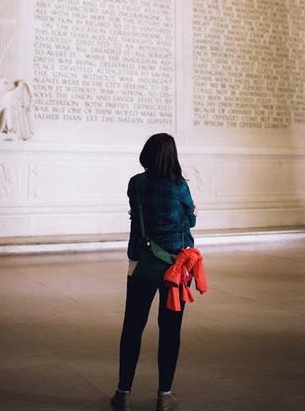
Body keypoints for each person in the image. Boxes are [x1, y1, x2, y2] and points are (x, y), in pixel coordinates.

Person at [111, 133, 197, 411]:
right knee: (170, 329)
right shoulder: (178, 186)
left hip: (140, 263)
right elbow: (191, 220)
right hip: (174, 267)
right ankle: (164, 395)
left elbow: (137, 212)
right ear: (172, 156)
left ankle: (123, 392)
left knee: (133, 327)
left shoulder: (135, 183)